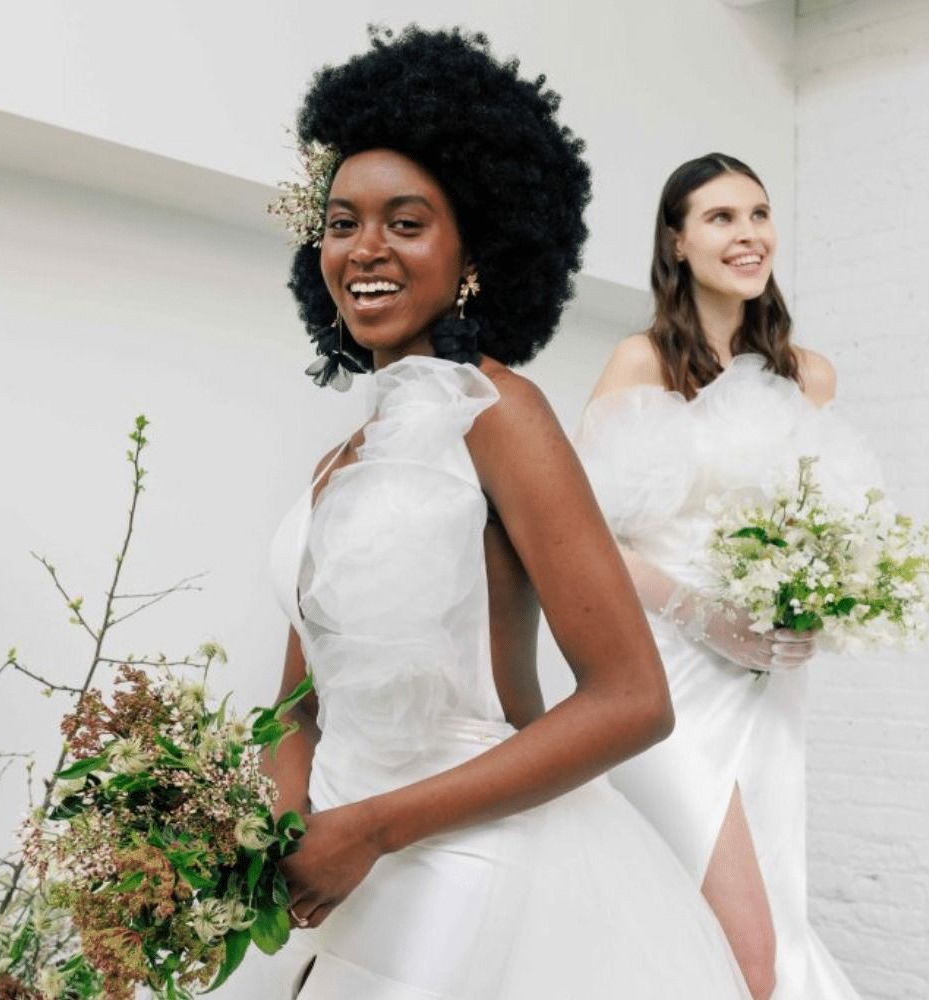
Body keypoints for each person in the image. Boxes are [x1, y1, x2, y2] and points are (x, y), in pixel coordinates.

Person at [265, 28, 750, 999]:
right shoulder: (337, 465)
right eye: (342, 220)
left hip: (472, 875)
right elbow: (299, 703)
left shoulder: (501, 416)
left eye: (406, 222)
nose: (365, 248)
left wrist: (371, 826)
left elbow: (629, 700)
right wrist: (269, 830)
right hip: (345, 877)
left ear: (473, 247)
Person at [577, 153, 880, 1000]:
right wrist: (703, 615)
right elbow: (579, 539)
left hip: (767, 685)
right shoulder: (642, 361)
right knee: (746, 955)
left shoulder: (807, 375)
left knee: (769, 923)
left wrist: (815, 601)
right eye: (720, 218)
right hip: (663, 678)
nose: (747, 235)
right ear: (676, 241)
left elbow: (817, 524)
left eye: (758, 214)